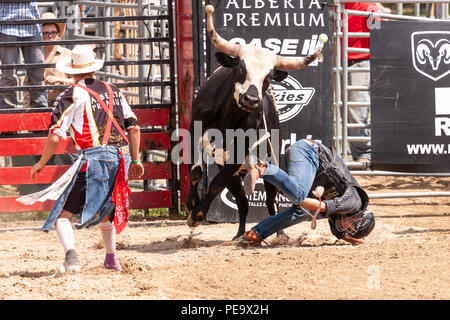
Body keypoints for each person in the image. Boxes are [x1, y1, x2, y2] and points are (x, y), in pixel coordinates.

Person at [17, 45, 144, 273]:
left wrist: (42, 162)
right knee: (106, 210)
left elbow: (55, 135)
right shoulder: (114, 89)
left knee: (62, 214)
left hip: (92, 159)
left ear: (72, 71)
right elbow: (133, 128)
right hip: (120, 158)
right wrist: (135, 160)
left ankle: (71, 259)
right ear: (93, 69)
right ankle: (111, 259)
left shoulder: (71, 93)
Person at [238, 139, 375, 247]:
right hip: (308, 153)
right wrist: (293, 196)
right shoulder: (354, 202)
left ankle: (254, 234)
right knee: (299, 197)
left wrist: (362, 241)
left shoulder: (342, 222)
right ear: (357, 217)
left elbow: (347, 237)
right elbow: (321, 207)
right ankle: (262, 168)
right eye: (351, 227)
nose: (347, 229)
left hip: (307, 162)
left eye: (350, 231)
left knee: (302, 212)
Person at [344, 2, 385, 163]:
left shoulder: (365, 6)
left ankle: (364, 153)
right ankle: (356, 152)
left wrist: (379, 11)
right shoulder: (331, 6)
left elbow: (380, 27)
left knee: (357, 109)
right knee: (342, 110)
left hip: (359, 61)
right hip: (337, 60)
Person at [0, 2, 47, 109]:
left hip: (31, 21)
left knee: (37, 72)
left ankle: (39, 110)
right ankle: (8, 111)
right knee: (8, 74)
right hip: (7, 22)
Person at [23, 12, 73, 108]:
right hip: (41, 107)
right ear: (40, 36)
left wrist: (60, 80)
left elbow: (79, 81)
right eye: (46, 33)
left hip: (64, 106)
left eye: (53, 33)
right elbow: (27, 84)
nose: (50, 36)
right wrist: (27, 109)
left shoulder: (68, 55)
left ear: (58, 35)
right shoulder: (35, 56)